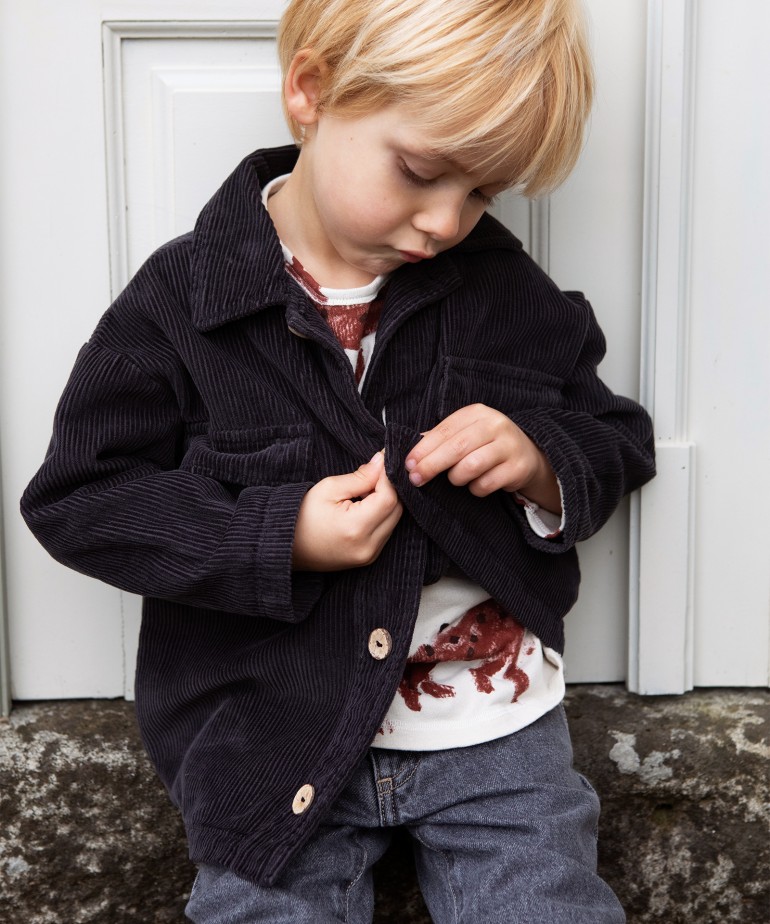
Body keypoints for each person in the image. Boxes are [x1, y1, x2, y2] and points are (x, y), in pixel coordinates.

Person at [21, 0, 656, 920]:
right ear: (311, 93)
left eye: (482, 193)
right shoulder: (185, 300)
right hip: (268, 728)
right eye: (422, 172)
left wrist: (539, 463)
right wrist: (279, 536)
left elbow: (615, 435)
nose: (446, 221)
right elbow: (82, 499)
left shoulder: (499, 287)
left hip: (489, 730)